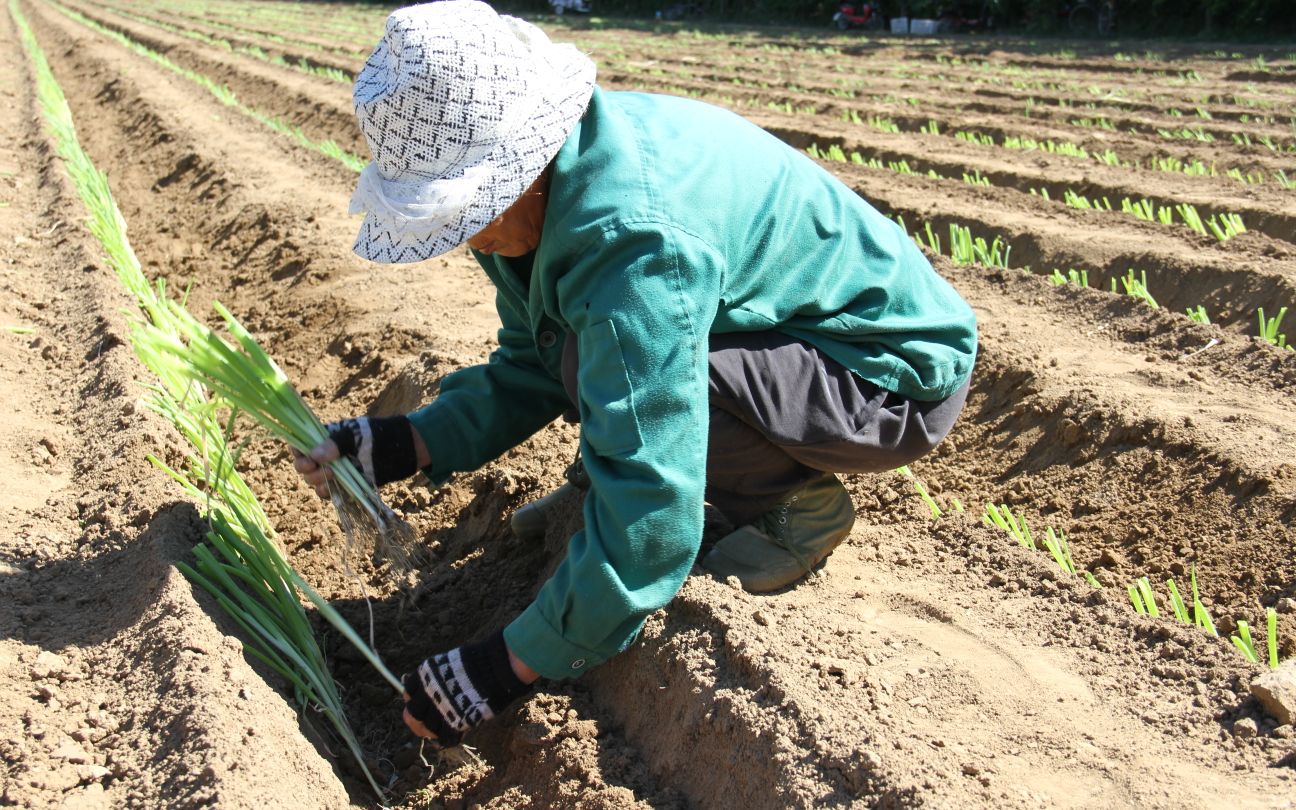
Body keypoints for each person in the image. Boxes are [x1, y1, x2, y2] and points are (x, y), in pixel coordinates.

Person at [293, 0, 976, 748]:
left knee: (616, 361)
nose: (465, 234)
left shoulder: (632, 239)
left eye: (468, 210)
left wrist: (509, 663)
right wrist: (399, 444)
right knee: (592, 353)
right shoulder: (538, 200)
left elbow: (654, 496)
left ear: (527, 158)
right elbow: (532, 362)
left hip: (882, 377)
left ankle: (794, 507)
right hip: (781, 340)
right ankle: (614, 481)